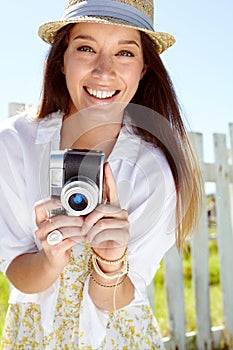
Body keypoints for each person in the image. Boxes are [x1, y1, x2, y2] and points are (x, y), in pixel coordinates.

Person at [0, 0, 203, 348]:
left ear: (143, 68)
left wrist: (111, 263)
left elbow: (117, 300)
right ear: (61, 59)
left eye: (125, 53)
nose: (104, 71)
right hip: (34, 336)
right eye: (85, 48)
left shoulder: (156, 167)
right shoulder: (14, 144)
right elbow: (19, 274)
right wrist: (49, 258)